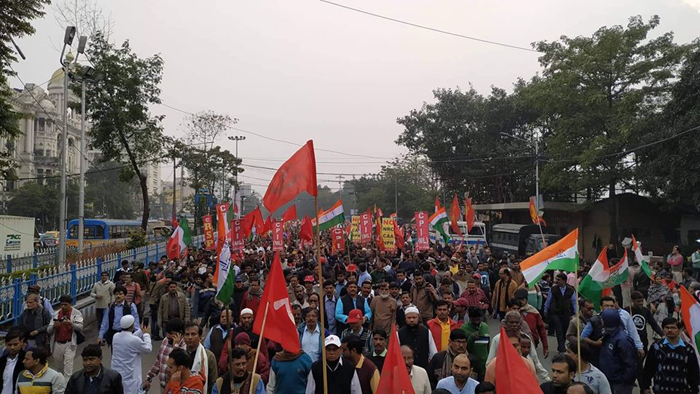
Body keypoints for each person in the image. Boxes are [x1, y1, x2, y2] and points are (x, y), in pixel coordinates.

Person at [641, 317, 699, 394]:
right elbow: (649, 368)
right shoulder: (656, 347)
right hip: (661, 390)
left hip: (682, 390)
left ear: (679, 330)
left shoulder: (688, 349)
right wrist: (646, 386)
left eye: (673, 328)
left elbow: (693, 372)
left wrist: (695, 389)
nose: (670, 330)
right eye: (667, 327)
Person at [598, 309, 637, 394]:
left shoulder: (622, 340)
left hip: (619, 384)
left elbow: (630, 363)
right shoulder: (608, 335)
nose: (600, 321)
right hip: (609, 380)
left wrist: (623, 381)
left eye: (602, 319)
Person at [111, 315, 152, 394]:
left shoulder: (116, 336)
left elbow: (129, 338)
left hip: (117, 375)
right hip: (130, 379)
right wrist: (146, 334)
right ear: (132, 325)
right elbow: (148, 349)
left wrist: (141, 330)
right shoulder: (133, 340)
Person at [143, 318, 186, 392]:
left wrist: (175, 345)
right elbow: (158, 362)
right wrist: (148, 378)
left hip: (176, 388)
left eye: (171, 333)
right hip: (163, 386)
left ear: (180, 333)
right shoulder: (165, 341)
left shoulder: (184, 346)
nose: (168, 335)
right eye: (167, 333)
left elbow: (178, 362)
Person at [47, 294, 84, 379]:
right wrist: (54, 326)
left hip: (70, 343)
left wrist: (71, 324)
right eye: (62, 304)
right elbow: (48, 330)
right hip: (57, 344)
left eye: (65, 305)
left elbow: (80, 327)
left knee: (68, 368)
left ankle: (67, 388)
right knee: (59, 368)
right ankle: (61, 383)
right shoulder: (56, 314)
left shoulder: (76, 313)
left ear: (70, 304)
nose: (63, 306)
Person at [544, 272, 577, 353]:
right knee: (559, 330)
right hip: (555, 312)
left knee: (565, 330)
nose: (557, 281)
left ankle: (560, 346)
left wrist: (576, 313)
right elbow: (549, 300)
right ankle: (562, 349)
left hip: (566, 313)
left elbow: (574, 302)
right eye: (556, 279)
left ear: (564, 280)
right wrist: (545, 309)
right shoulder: (553, 289)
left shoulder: (571, 289)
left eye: (559, 280)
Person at [184, 322, 218, 392]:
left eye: (193, 334)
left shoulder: (208, 356)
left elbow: (213, 382)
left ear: (200, 337)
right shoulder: (180, 354)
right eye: (187, 334)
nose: (190, 337)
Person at [515, 288, 548, 357]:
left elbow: (541, 330)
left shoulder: (533, 312)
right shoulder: (512, 312)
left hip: (531, 343)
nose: (520, 302)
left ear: (526, 299)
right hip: (515, 343)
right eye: (518, 300)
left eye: (522, 299)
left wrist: (545, 347)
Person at [0, 328, 26, 394]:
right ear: (6, 344)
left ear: (21, 342)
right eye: (9, 345)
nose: (12, 347)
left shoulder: (26, 360)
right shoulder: (2, 361)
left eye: (15, 344)